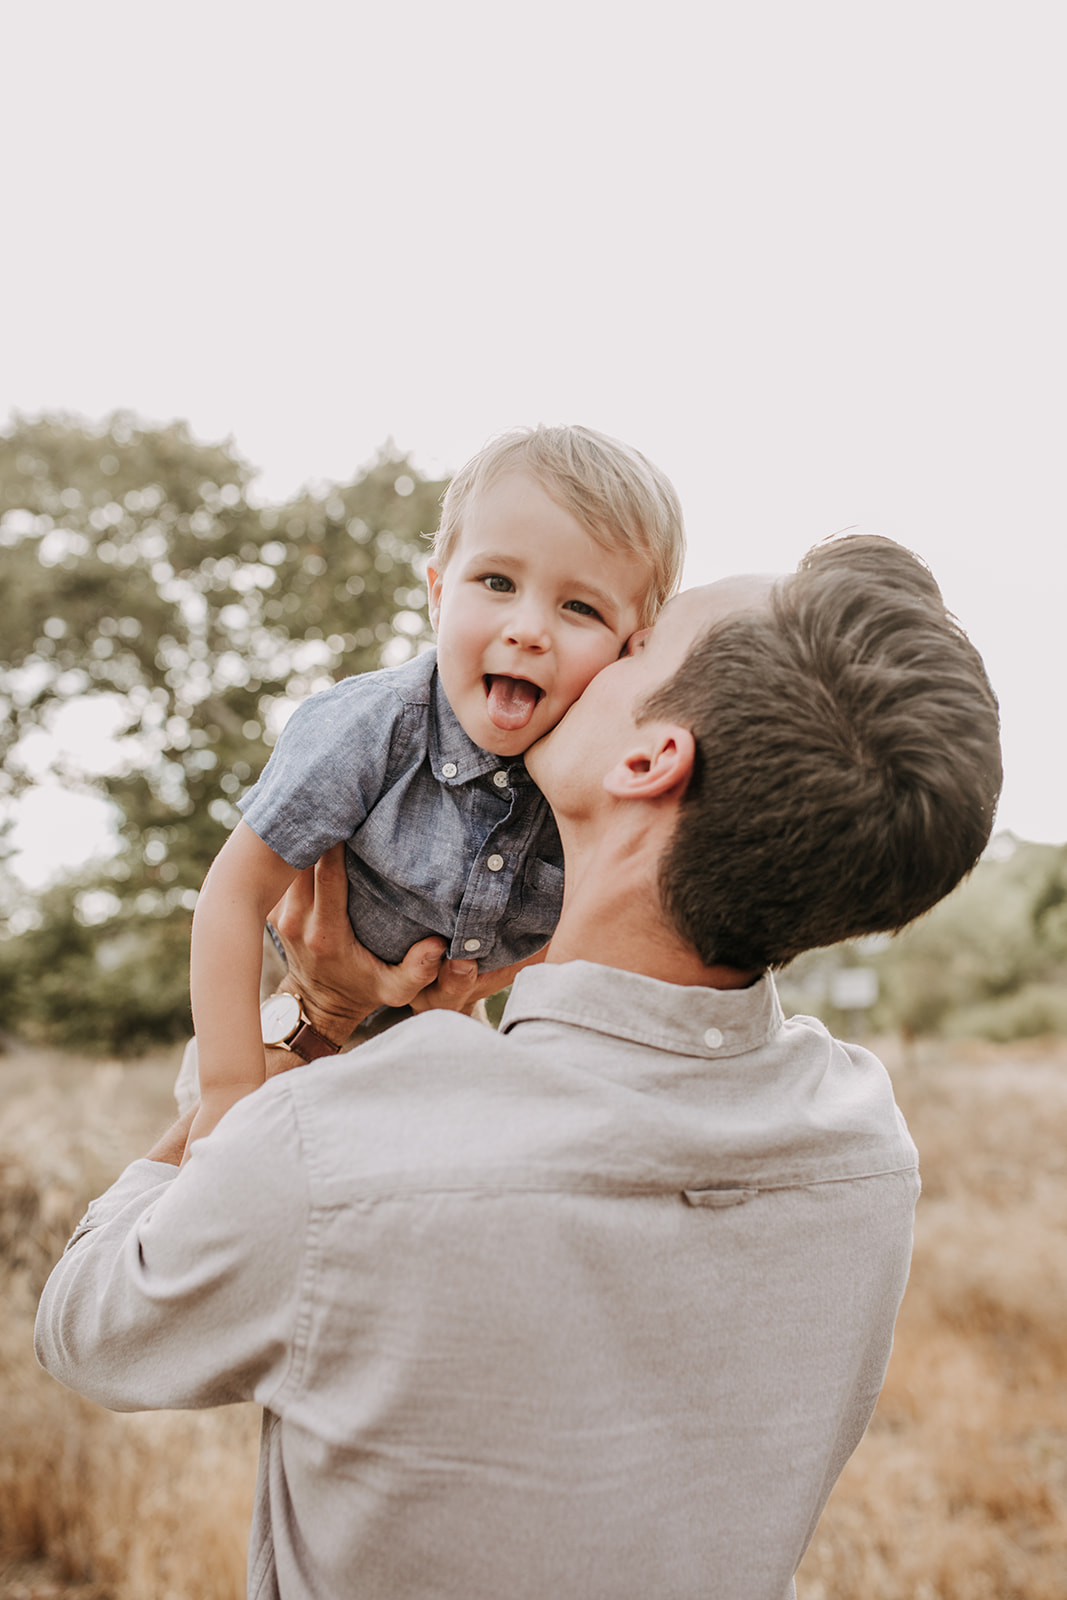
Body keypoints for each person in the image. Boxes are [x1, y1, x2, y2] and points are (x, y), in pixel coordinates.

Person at [36, 534, 1002, 1600]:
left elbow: (91, 1324)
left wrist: (316, 1025)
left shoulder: (339, 1144)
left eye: (636, 647)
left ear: (647, 761)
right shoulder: (867, 1150)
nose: (591, 659)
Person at [182, 424, 685, 1148]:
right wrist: (229, 1091)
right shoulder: (371, 726)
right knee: (224, 1202)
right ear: (438, 595)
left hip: (439, 1045)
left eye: (580, 608)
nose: (528, 629)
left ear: (634, 647)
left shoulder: (605, 781)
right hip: (276, 1029)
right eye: (497, 583)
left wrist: (470, 997)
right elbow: (232, 894)